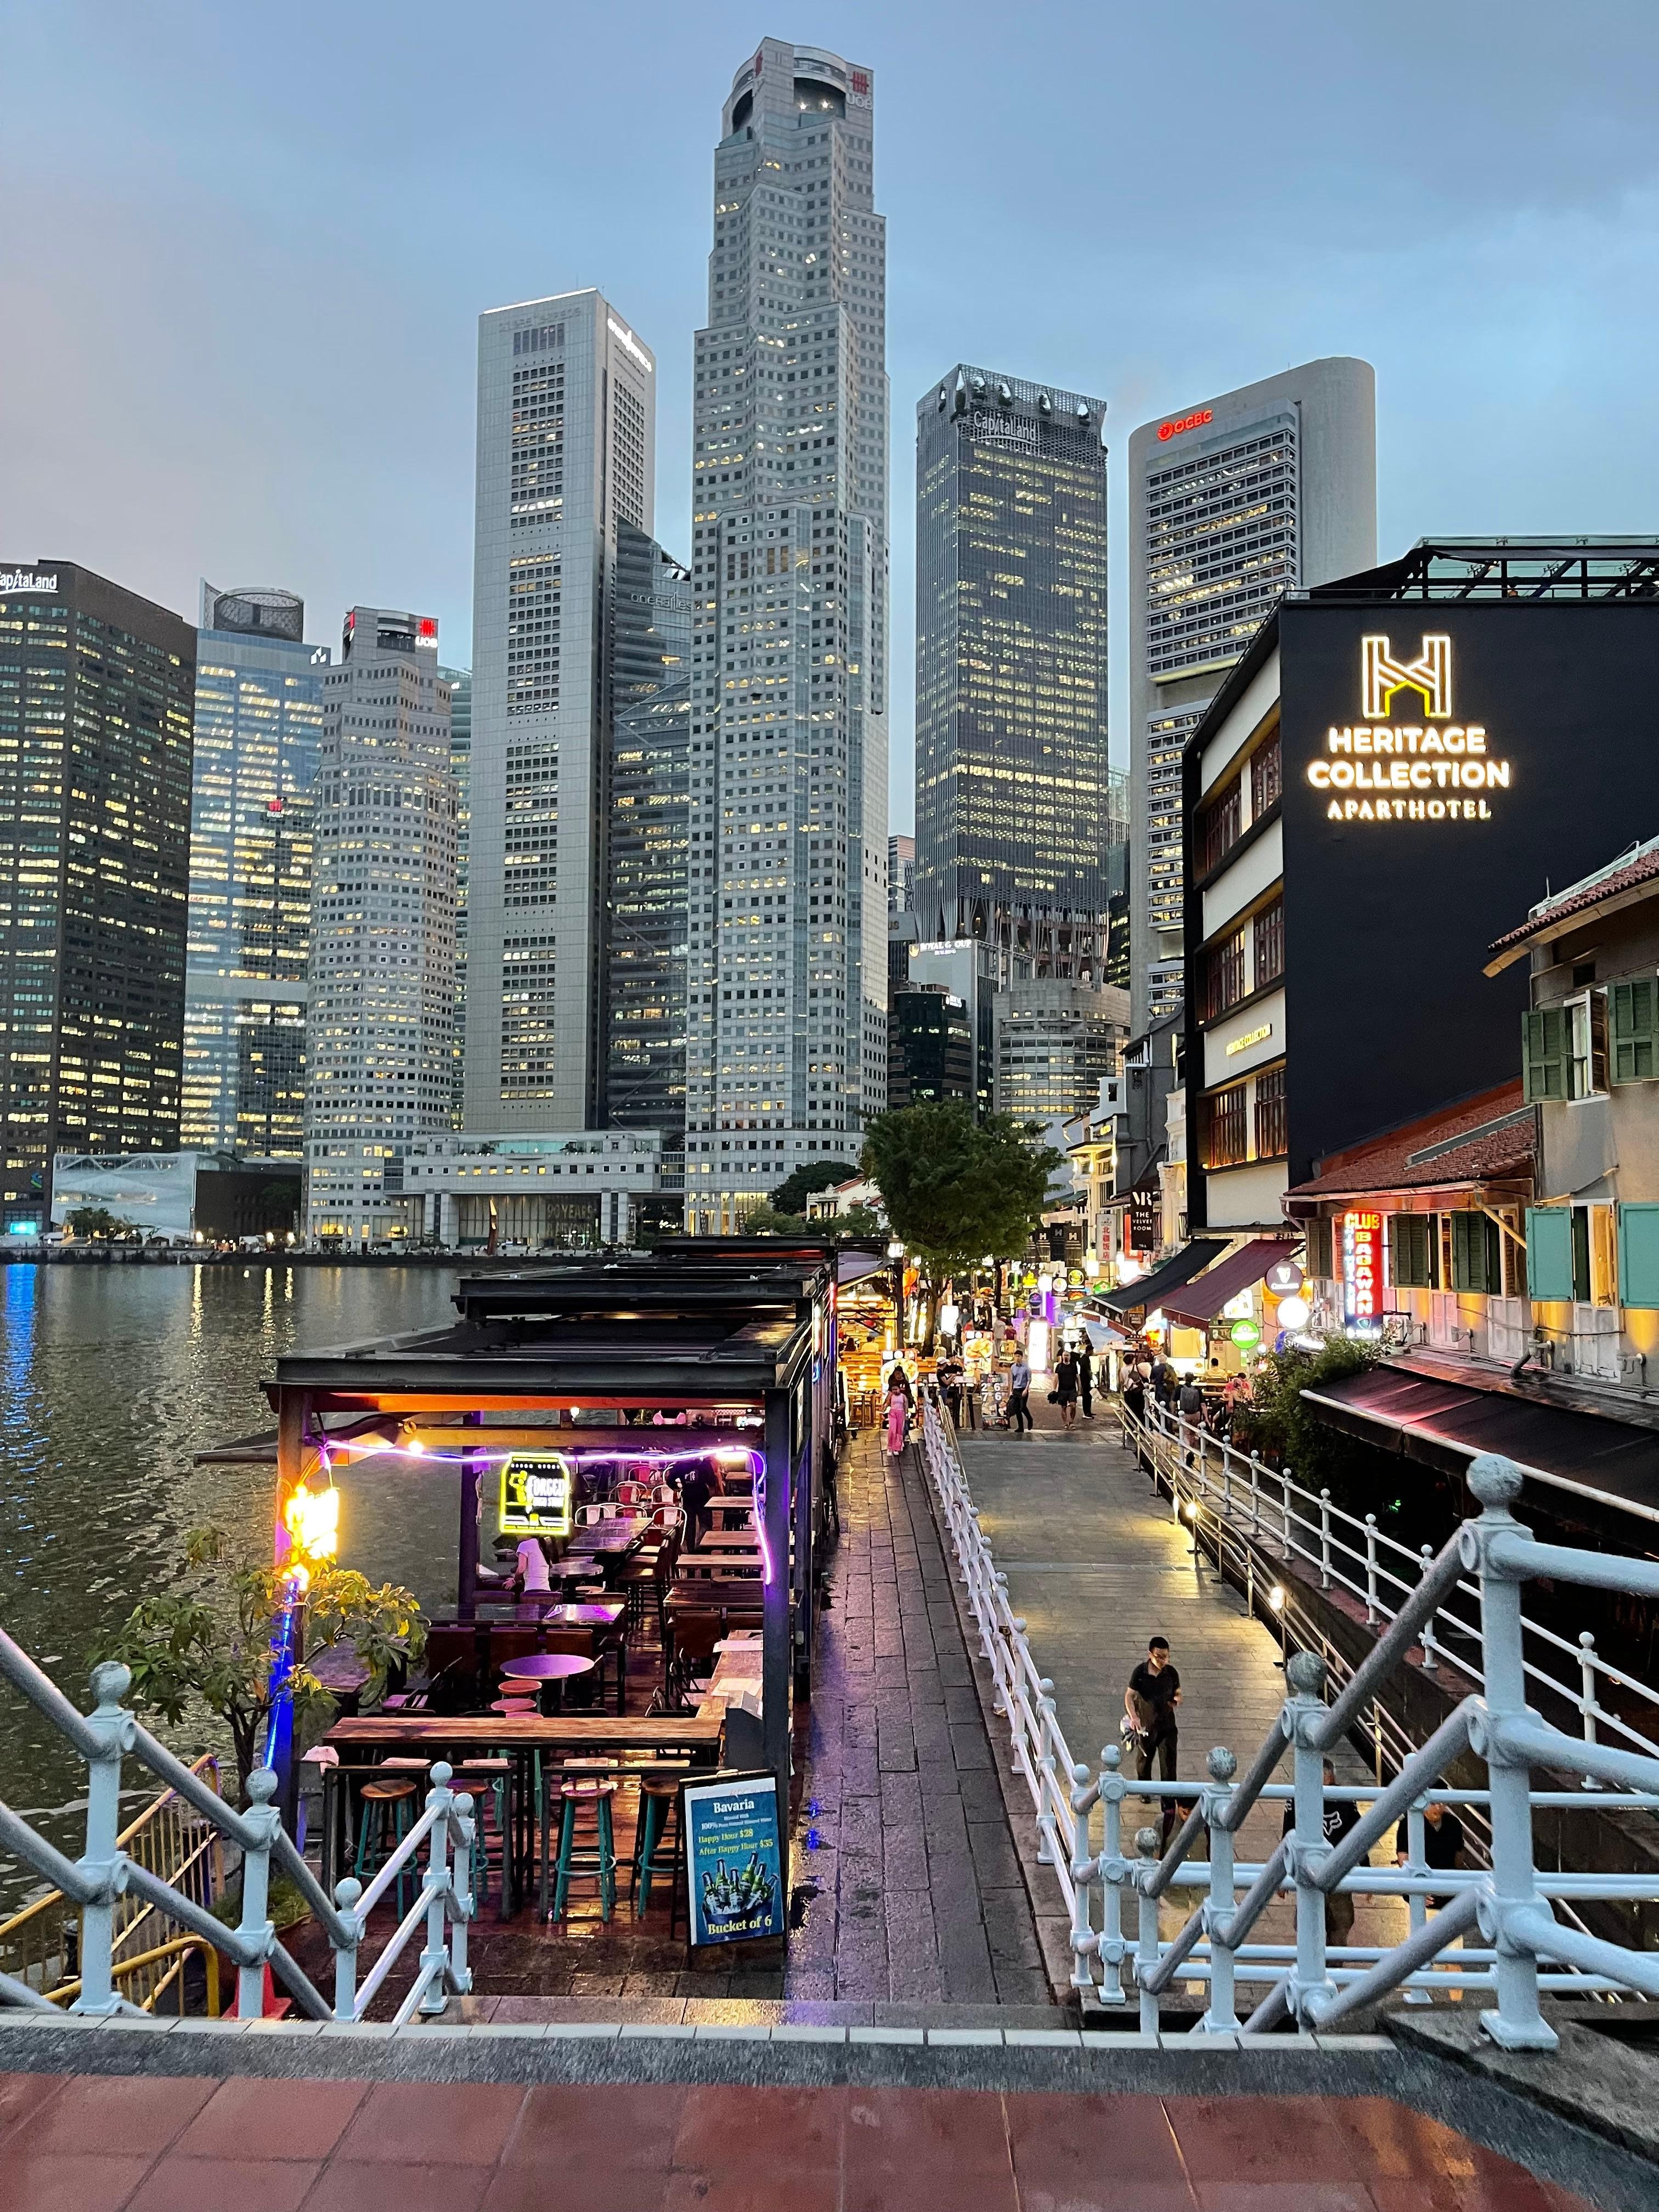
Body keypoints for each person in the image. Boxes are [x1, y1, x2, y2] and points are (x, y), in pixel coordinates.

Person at [1282, 1759, 1363, 1946]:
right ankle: (1312, 1958)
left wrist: (1365, 1866)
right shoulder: (1297, 1798)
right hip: (1309, 1870)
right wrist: (1283, 1875)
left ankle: (1333, 1961)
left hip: (1339, 1870)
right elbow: (1287, 1836)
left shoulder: (1345, 1799)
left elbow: (1358, 1835)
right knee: (1308, 1926)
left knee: (1340, 1926)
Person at [1124, 1636, 1182, 1796]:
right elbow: (1129, 1696)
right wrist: (1134, 1717)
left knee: (1169, 1767)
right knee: (1144, 1763)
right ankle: (1145, 1793)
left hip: (1168, 1728)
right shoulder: (1140, 1673)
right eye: (1159, 1657)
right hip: (1146, 1727)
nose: (1163, 1661)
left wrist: (1177, 1698)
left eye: (1166, 1657)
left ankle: (1168, 1801)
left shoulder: (1171, 1673)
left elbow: (1178, 1691)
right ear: (1150, 1654)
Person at [1396, 1786, 1467, 1913]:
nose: (1438, 1808)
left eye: (1441, 1803)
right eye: (1433, 1804)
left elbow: (1459, 1857)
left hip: (1447, 1883)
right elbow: (1404, 1859)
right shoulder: (1408, 1824)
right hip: (1420, 1880)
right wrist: (1417, 1887)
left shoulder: (1454, 1823)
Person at [680, 1460, 714, 1550]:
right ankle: (705, 1549)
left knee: (689, 1524)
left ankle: (690, 1549)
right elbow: (711, 1481)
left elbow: (670, 1480)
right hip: (702, 1497)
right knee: (705, 1523)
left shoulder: (681, 1463)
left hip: (687, 1497)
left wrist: (678, 1487)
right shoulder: (704, 1463)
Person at [1007, 1352, 1033, 1435]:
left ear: (1022, 1357)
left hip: (1023, 1389)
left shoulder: (1026, 1368)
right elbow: (1012, 1380)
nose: (1017, 1358)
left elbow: (1029, 1379)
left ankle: (1030, 1419)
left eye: (1019, 1356)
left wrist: (1026, 1389)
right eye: (1016, 1356)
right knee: (1016, 1408)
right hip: (1016, 1389)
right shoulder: (1013, 1367)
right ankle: (1020, 1427)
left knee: (1023, 1407)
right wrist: (1011, 1391)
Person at [884, 1376, 910, 1458]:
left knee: (899, 1431)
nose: (895, 1391)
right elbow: (887, 1403)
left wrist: (906, 1415)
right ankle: (890, 1447)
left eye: (896, 1389)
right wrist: (883, 1410)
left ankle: (896, 1448)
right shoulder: (891, 1396)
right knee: (892, 1430)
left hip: (901, 1413)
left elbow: (906, 1406)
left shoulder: (903, 1396)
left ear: (900, 1389)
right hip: (893, 1413)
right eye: (893, 1390)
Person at [1054, 1346, 1079, 1429]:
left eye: (1067, 1355)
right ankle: (1065, 1423)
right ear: (1062, 1356)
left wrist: (1079, 1389)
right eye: (1064, 1355)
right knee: (1064, 1407)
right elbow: (1056, 1378)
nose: (1066, 1357)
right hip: (1062, 1390)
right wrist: (1054, 1390)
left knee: (1073, 1406)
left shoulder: (1074, 1366)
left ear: (1070, 1357)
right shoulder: (1059, 1367)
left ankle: (1071, 1421)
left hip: (1072, 1389)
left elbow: (1077, 1378)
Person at [1076, 1343, 1094, 1419]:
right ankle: (1086, 1413)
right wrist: (1092, 1378)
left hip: (1086, 1381)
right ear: (1089, 1351)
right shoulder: (1085, 1360)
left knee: (1088, 1396)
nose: (1093, 1352)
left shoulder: (1085, 1359)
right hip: (1085, 1381)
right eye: (1092, 1351)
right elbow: (1087, 1370)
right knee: (1086, 1396)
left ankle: (1088, 1411)